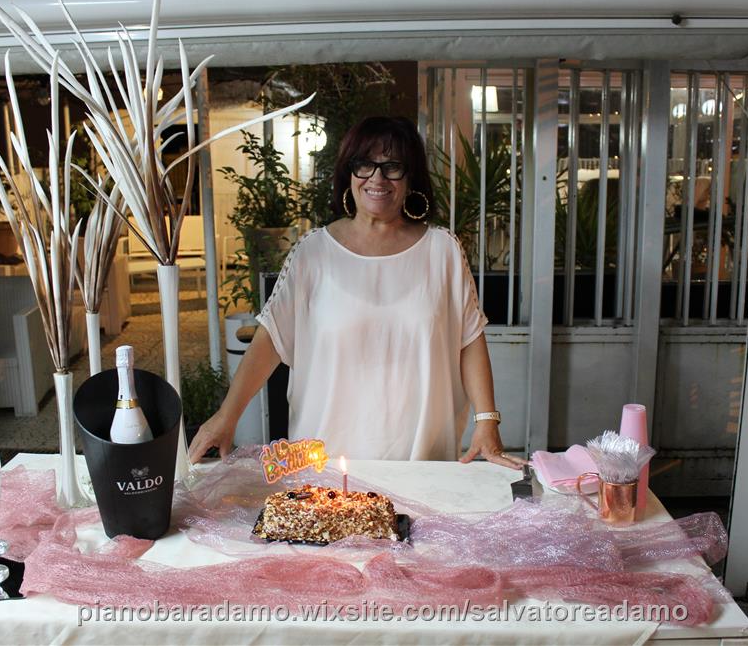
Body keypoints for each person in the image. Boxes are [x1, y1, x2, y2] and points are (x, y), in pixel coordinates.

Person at [188, 116, 525, 470]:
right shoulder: (313, 253)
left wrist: (487, 421)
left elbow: (469, 339)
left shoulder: (442, 251)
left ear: (411, 177)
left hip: (423, 464)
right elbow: (271, 339)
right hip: (326, 467)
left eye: (392, 166)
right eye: (364, 164)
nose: (377, 178)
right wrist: (226, 416)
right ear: (348, 173)